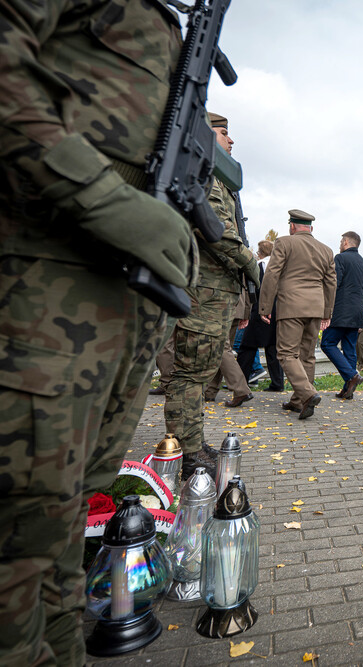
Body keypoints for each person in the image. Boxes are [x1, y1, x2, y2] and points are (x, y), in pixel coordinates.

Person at [0, 3, 190, 663]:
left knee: (65, 523)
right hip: (41, 292)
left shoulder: (164, 19)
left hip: (118, 308)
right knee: (18, 540)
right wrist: (101, 197)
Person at [165, 112, 260, 479]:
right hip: (203, 290)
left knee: (198, 373)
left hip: (214, 292)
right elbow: (215, 230)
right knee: (190, 375)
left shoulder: (213, 174)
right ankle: (186, 452)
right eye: (223, 133)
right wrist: (250, 263)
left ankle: (192, 443)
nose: (230, 141)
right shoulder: (202, 171)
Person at [258, 210, 337, 420]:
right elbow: (331, 283)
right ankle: (298, 401)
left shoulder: (284, 242)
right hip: (315, 308)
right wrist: (327, 312)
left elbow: (272, 274)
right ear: (311, 228)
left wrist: (265, 306)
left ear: (292, 226)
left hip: (291, 306)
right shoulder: (326, 250)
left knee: (286, 353)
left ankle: (308, 394)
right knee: (307, 356)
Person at [320, 232, 363, 399]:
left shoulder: (340, 258)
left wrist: (326, 309)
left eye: (341, 241)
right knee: (349, 349)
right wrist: (362, 316)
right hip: (357, 313)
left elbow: (334, 285)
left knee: (327, 344)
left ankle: (352, 375)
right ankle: (348, 389)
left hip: (341, 311)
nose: (340, 244)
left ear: (346, 242)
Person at [238, 240, 285, 392]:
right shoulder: (280, 266)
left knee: (247, 347)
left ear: (261, 252)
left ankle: (240, 382)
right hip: (278, 310)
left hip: (260, 309)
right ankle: (278, 382)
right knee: (272, 348)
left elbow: (254, 290)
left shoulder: (259, 266)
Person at [204, 287, 254, 407]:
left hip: (219, 303)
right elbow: (249, 284)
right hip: (237, 304)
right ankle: (210, 391)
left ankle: (241, 390)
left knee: (221, 348)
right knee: (221, 350)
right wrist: (246, 311)